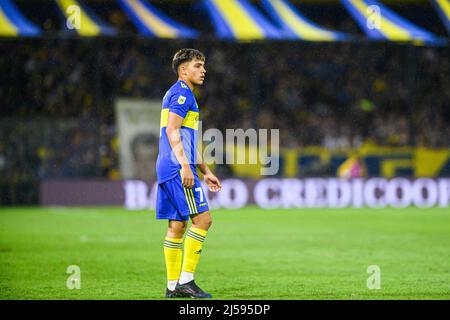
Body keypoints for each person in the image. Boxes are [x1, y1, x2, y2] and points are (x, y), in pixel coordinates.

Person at [155, 49, 222, 298]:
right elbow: (173, 130)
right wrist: (185, 165)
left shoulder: (175, 93)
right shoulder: (183, 93)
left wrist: (205, 171)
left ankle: (173, 287)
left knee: (177, 226)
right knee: (203, 220)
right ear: (183, 70)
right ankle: (186, 281)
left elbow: (187, 138)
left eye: (203, 65)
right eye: (197, 65)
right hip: (176, 166)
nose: (203, 70)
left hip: (166, 165)